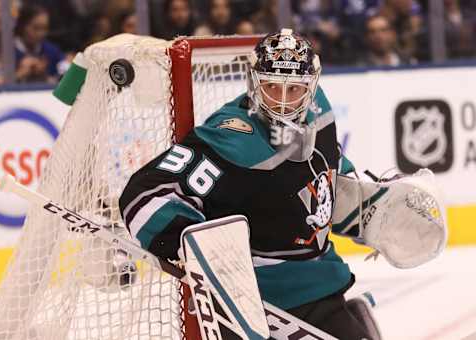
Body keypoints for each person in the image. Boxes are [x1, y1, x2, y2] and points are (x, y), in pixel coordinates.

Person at [119, 29, 379, 339]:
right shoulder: (232, 138)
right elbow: (145, 196)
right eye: (271, 87)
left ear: (312, 87)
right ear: (253, 81)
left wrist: (372, 203)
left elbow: (325, 169)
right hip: (252, 306)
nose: (283, 103)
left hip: (322, 290)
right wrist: (204, 256)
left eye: (294, 89)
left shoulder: (319, 111)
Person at [14, 4, 65, 83]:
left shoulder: (52, 51)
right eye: (36, 28)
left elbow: (63, 75)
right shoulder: (6, 52)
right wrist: (20, 74)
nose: (41, 34)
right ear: (22, 26)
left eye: (45, 28)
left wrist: (45, 75)